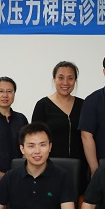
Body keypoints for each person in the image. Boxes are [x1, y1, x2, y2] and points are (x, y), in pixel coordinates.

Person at [0, 122, 76, 209]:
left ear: (50, 147)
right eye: (31, 146)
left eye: (42, 145)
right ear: (22, 149)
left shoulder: (63, 176)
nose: (37, 151)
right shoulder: (10, 177)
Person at [31, 61, 87, 193]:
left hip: (80, 167)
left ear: (75, 81)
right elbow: (34, 138)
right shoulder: (43, 105)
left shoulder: (83, 105)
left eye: (70, 78)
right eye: (61, 78)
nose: (65, 83)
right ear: (54, 79)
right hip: (50, 166)